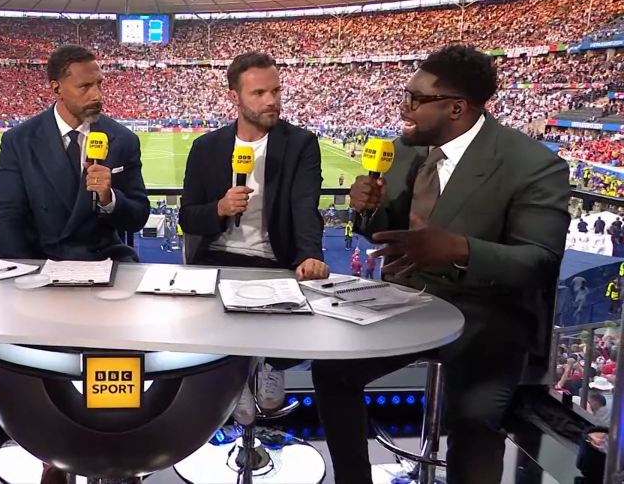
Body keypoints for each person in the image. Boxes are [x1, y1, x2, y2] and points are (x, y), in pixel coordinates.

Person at [313, 45, 570, 484]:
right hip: (408, 301)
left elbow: (540, 263)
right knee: (331, 370)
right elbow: (387, 234)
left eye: (415, 98)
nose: (403, 107)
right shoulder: (404, 152)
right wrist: (368, 210)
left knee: (472, 424)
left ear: (456, 108)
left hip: (486, 317)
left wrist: (459, 249)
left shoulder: (534, 165)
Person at [178, 51, 329, 418]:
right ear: (235, 96)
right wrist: (219, 209)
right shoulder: (206, 147)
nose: (271, 101)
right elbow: (187, 217)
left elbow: (304, 206)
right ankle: (235, 377)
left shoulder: (300, 144)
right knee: (214, 336)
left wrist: (311, 253)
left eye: (276, 91)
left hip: (277, 261)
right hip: (215, 259)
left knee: (290, 326)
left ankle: (271, 366)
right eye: (259, 93)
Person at [0, 44, 150, 263]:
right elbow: (8, 218)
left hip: (104, 261)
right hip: (43, 262)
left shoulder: (122, 139)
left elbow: (138, 217)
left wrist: (109, 199)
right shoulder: (19, 140)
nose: (97, 95)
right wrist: (23, 273)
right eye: (84, 86)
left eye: (99, 84)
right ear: (57, 89)